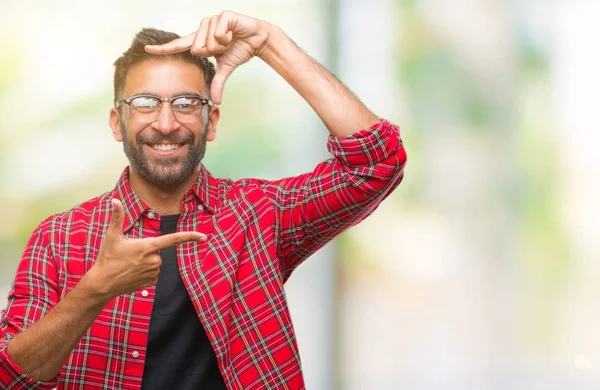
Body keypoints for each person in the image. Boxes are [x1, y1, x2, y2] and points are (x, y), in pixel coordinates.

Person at [0, 10, 406, 390]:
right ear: (116, 123)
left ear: (210, 122)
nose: (165, 123)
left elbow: (375, 163)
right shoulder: (59, 237)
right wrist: (95, 289)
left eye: (186, 104)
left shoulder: (256, 214)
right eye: (144, 103)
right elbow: (11, 377)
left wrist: (270, 42)